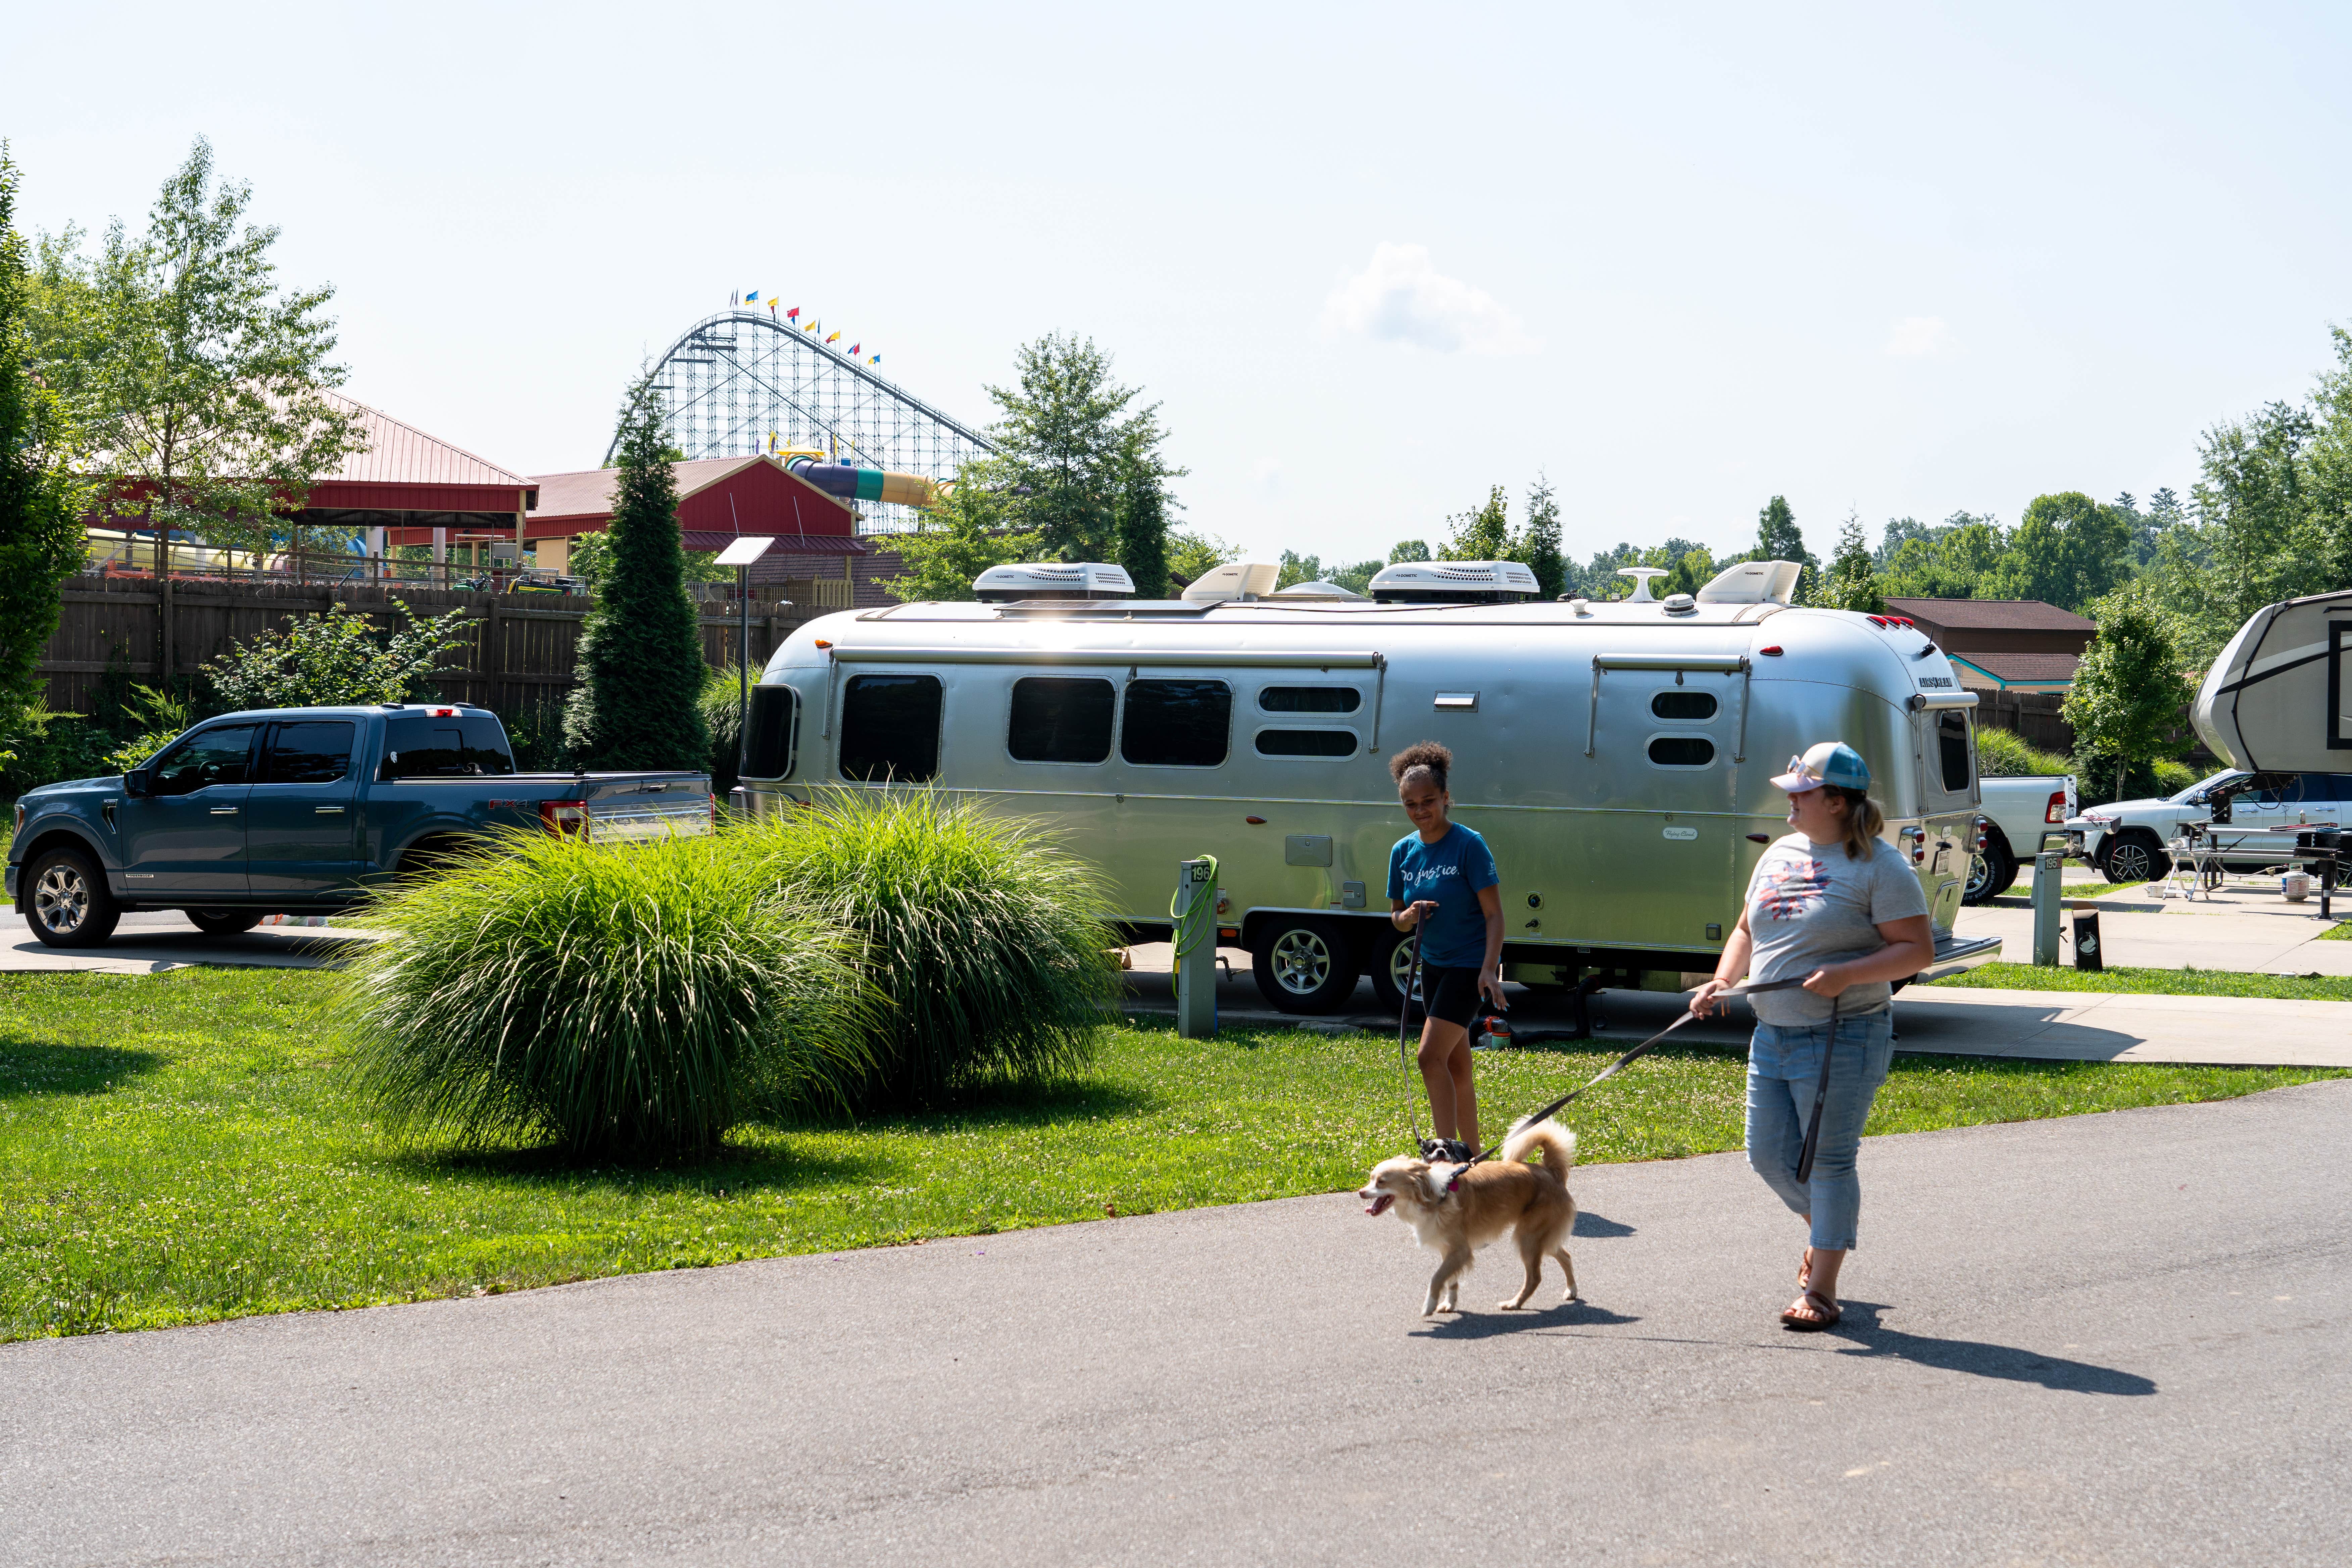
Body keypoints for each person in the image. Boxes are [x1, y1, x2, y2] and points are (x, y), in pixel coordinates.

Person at [1689, 740, 1934, 1332]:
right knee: (1767, 1156)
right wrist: (1721, 980)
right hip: (1771, 1034)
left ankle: (1820, 1289)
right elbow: (1747, 928)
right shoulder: (1779, 852)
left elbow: (1916, 950)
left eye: (1800, 793)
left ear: (1835, 799)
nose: (1789, 801)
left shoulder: (1880, 866)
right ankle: (1828, 1232)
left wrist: (1848, 973)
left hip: (1842, 1035)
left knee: (1827, 1162)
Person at [1386, 741, 1505, 1165]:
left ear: (1446, 798)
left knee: (1428, 1057)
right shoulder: (1403, 852)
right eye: (1411, 803)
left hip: (1468, 967)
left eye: (1429, 801)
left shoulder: (1469, 845)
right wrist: (1409, 917)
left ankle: (1446, 1161)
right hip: (1433, 966)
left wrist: (1490, 970)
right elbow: (1396, 917)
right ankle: (1476, 1164)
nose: (1420, 810)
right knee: (1456, 1069)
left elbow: (1494, 915)